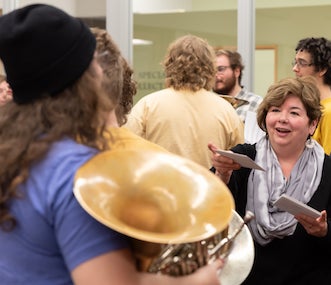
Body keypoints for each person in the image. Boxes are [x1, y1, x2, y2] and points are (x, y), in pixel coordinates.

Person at [0, 4, 223, 285]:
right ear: (85, 80)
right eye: (92, 62)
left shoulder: (13, 151)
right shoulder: (79, 173)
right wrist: (197, 281)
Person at [208, 76, 331, 285]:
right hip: (248, 278)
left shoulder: (328, 170)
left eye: (294, 112)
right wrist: (222, 175)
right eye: (275, 110)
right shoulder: (241, 159)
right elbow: (211, 210)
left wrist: (325, 231)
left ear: (312, 124)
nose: (282, 118)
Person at [125, 35, 244, 169]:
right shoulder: (226, 110)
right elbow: (238, 161)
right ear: (210, 67)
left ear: (169, 64)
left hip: (160, 187)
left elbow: (126, 151)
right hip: (209, 188)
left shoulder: (147, 105)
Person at [293, 37, 331, 155]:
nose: (294, 69)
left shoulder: (328, 112)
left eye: (302, 63)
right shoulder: (309, 106)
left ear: (322, 69)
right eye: (295, 62)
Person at [213, 49, 263, 123]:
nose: (216, 75)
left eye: (221, 69)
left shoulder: (256, 103)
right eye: (212, 70)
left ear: (236, 71)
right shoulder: (209, 105)